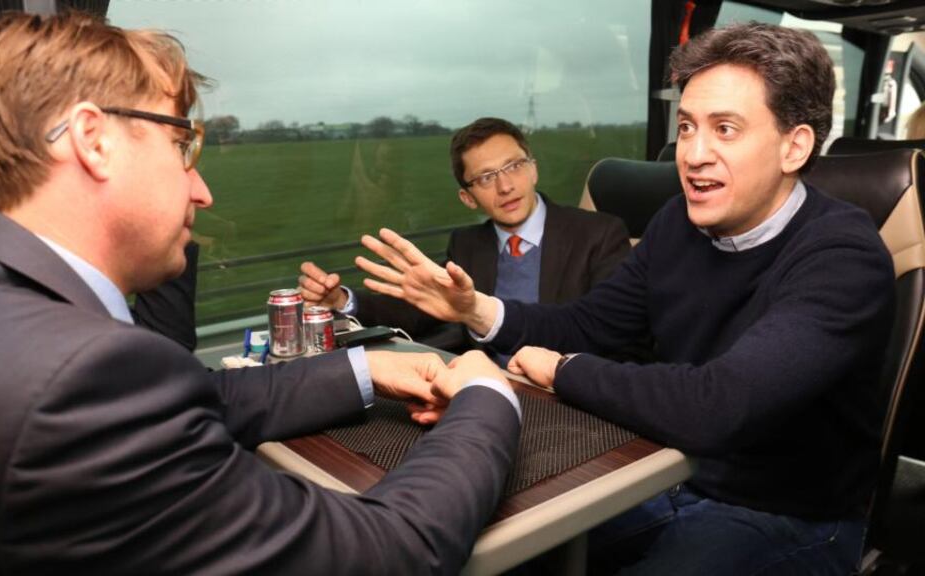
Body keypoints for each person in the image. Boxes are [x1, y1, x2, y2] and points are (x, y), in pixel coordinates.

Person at [0, 12, 523, 575]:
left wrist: (366, 367)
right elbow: (387, 552)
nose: (202, 192)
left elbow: (197, 398)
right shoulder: (78, 377)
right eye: (182, 146)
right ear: (93, 141)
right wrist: (487, 399)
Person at [354, 22, 896, 574]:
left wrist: (563, 370)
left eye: (725, 129)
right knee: (480, 550)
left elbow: (720, 406)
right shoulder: (676, 225)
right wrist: (474, 310)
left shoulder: (843, 257)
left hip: (789, 512)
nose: (694, 154)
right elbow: (590, 323)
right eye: (686, 128)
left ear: (794, 145)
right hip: (673, 470)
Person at [300, 117, 631, 354]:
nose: (505, 186)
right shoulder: (468, 244)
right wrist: (342, 301)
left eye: (514, 166)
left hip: (565, 392)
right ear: (468, 198)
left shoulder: (599, 234)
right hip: (485, 387)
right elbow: (420, 308)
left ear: (533, 169)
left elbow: (609, 334)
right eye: (486, 178)